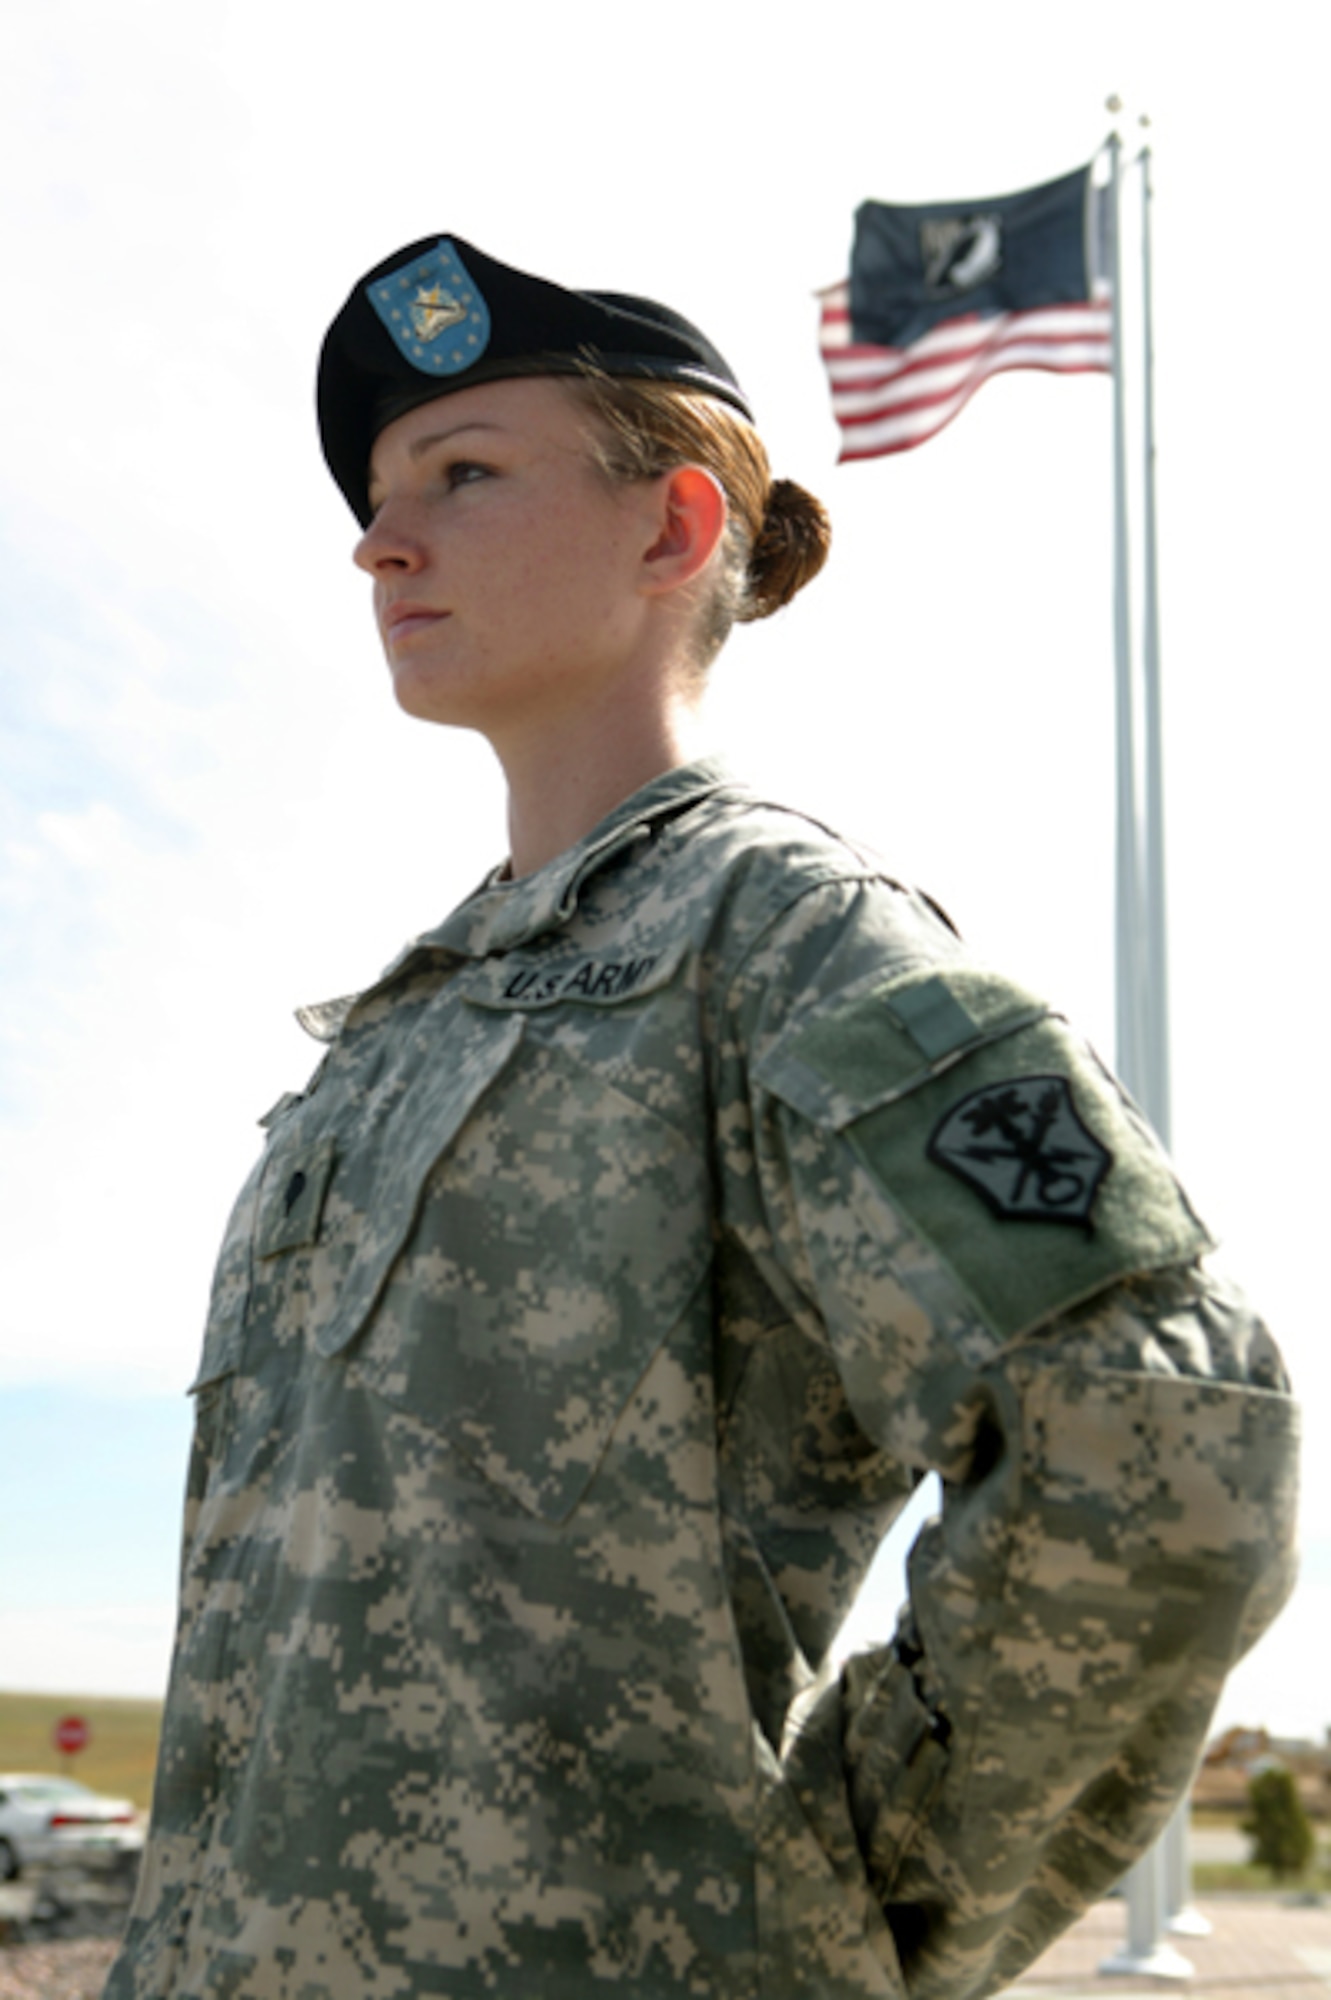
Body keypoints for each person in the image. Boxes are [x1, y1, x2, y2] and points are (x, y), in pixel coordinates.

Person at [104, 237, 1298, 2000]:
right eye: (377, 494)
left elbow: (1159, 1435)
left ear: (670, 529)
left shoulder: (781, 943)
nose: (379, 539)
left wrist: (814, 1916)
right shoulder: (387, 1034)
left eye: (463, 473)